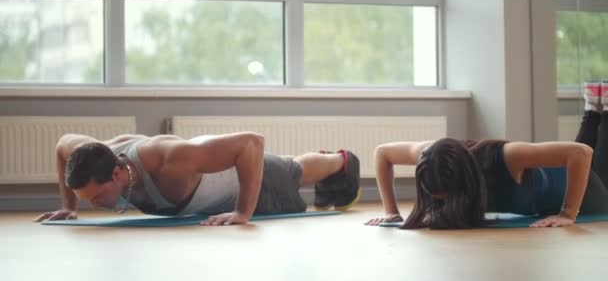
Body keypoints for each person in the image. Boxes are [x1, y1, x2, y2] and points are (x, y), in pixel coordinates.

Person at [366, 81, 608, 229]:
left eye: (445, 196)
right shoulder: (433, 155)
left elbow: (581, 153)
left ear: (463, 181)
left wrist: (567, 214)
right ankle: (594, 108)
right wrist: (391, 211)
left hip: (585, 193)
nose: (442, 203)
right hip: (558, 185)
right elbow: (382, 153)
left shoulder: (505, 157)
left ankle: (602, 109)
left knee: (597, 170)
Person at [34, 132, 360, 225]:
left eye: (96, 198)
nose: (95, 205)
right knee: (290, 168)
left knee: (292, 172)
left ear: (118, 173)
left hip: (239, 177)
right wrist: (68, 205)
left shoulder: (164, 159)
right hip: (201, 169)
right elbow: (63, 143)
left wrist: (243, 212)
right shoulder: (98, 154)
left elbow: (251, 143)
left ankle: (341, 161)